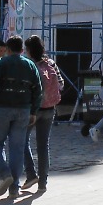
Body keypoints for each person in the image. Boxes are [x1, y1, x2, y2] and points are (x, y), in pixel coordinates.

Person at [0, 35, 42, 198]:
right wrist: (33, 111)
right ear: (22, 49)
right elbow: (38, 90)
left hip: (2, 107)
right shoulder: (30, 64)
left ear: (8, 49)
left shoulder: (2, 62)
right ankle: (14, 188)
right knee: (17, 148)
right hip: (23, 110)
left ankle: (4, 173)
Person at [22, 35, 64, 192]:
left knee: (23, 141)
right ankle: (43, 182)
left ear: (29, 50)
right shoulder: (51, 63)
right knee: (43, 145)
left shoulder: (28, 65)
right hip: (49, 109)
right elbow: (61, 84)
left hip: (32, 110)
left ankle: (31, 174)